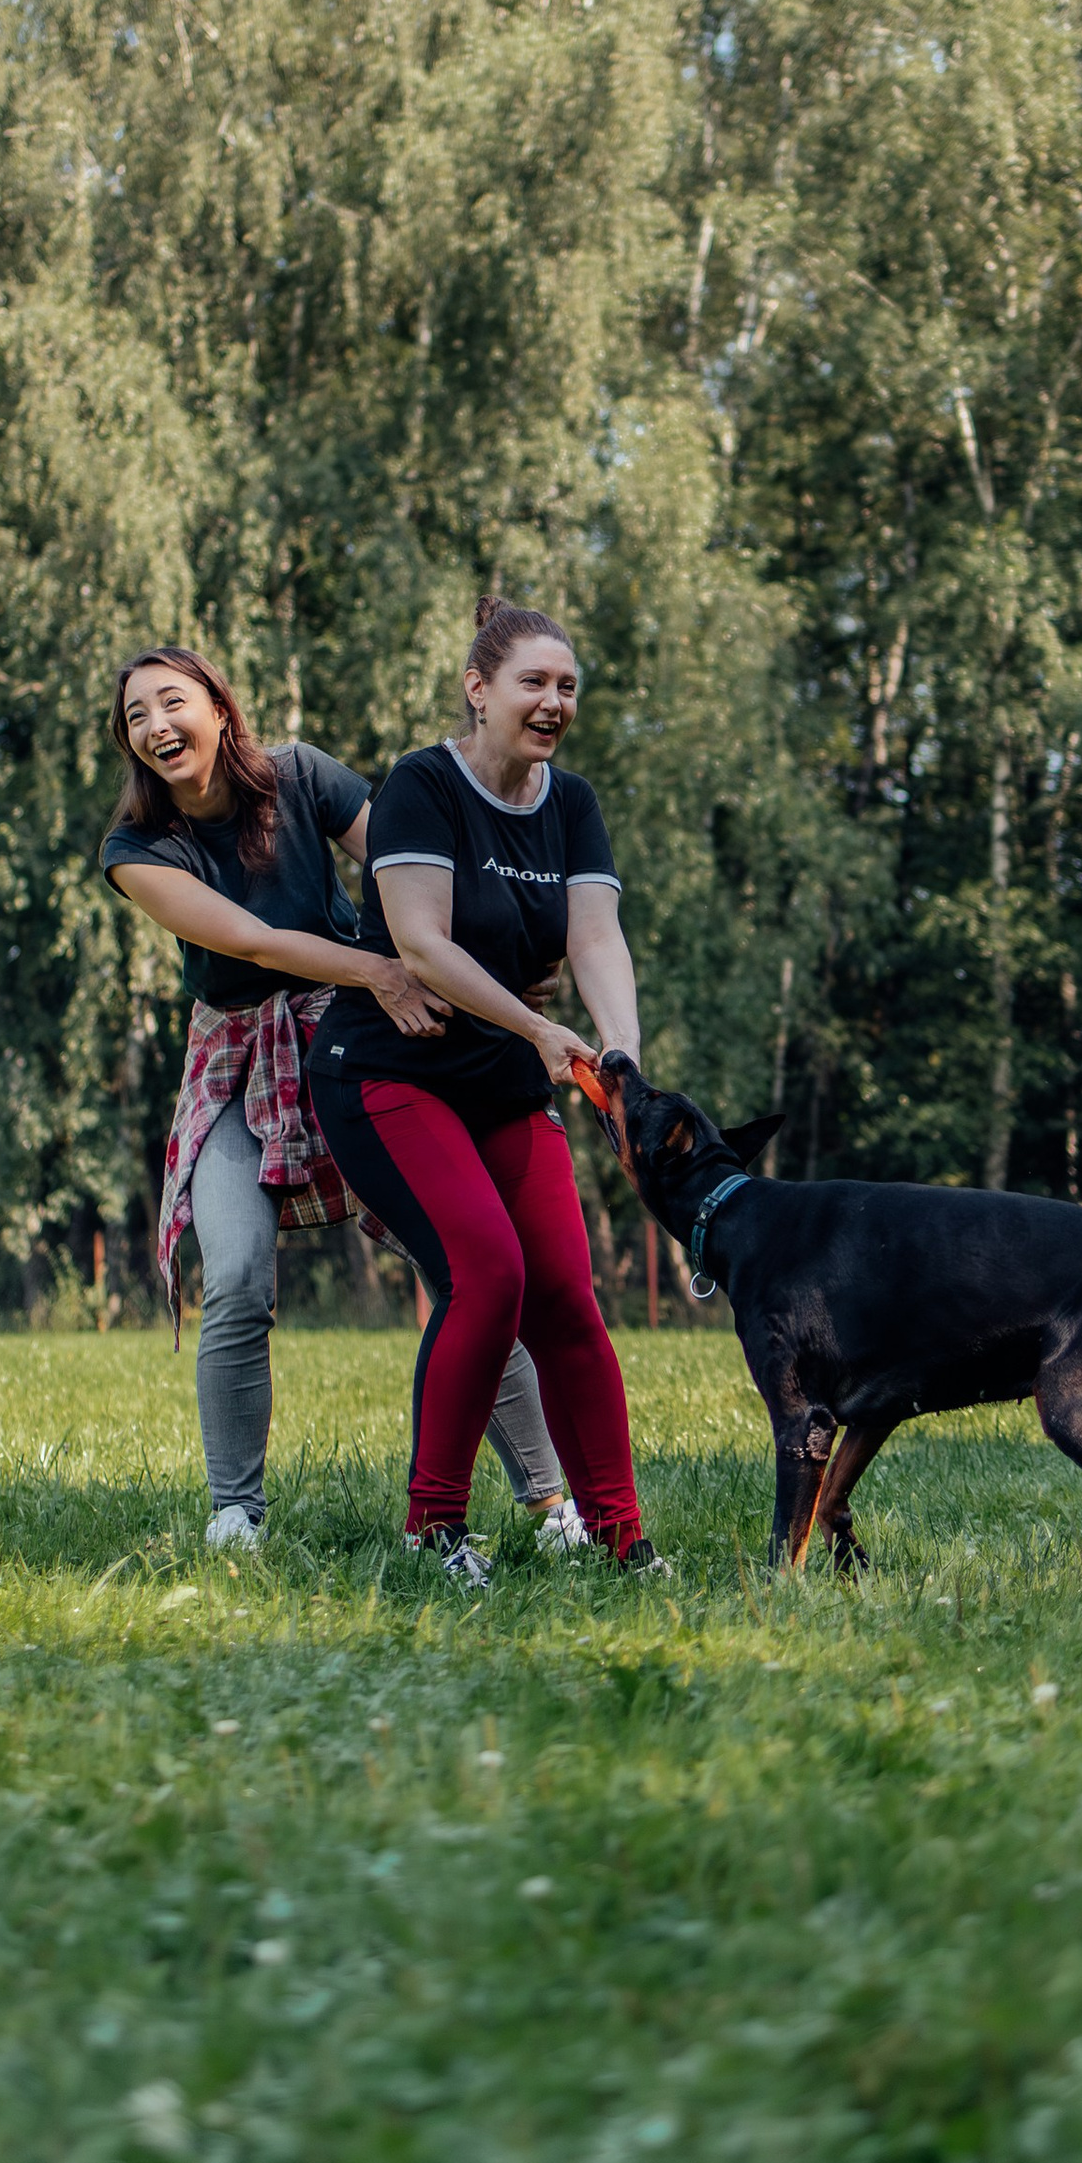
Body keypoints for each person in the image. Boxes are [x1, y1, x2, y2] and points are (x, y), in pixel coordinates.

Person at [100, 646, 587, 1553]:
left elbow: (421, 869)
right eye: (136, 716)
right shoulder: (136, 850)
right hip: (239, 1059)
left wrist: (500, 974)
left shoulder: (300, 775)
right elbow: (249, 939)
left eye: (173, 702)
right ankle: (234, 1512)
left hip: (351, 1042)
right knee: (237, 1277)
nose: (157, 725)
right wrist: (385, 968)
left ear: (219, 707)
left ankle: (552, 1504)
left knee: (470, 1270)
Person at [308, 599, 667, 1586]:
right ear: (479, 689)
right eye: (533, 684)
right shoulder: (424, 784)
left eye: (567, 688)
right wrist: (539, 1026)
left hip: (501, 1078)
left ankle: (622, 1538)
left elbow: (593, 935)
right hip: (389, 1072)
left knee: (564, 1296)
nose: (554, 703)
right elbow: (420, 940)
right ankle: (432, 1535)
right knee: (486, 1274)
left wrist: (620, 1047)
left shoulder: (571, 803)